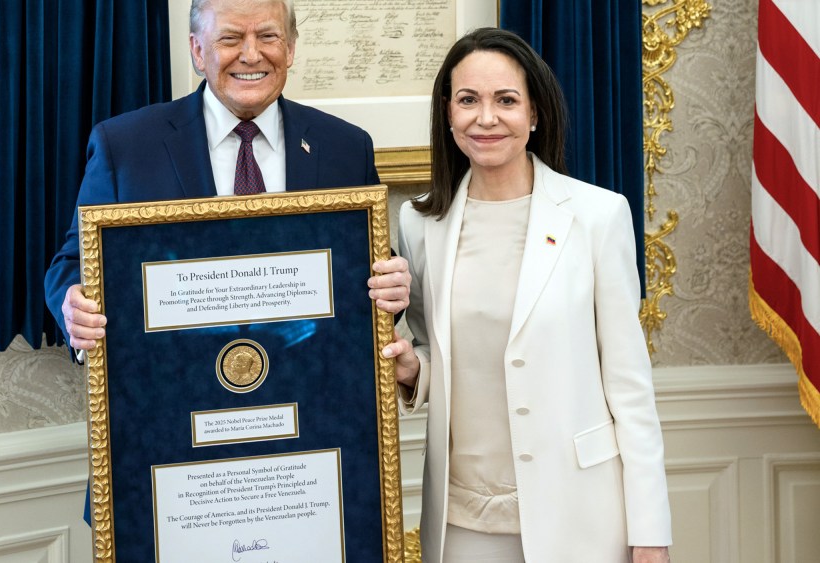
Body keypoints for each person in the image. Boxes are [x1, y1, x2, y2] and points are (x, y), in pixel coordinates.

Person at [380, 28, 672, 562]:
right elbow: (433, 351)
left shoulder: (598, 216)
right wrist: (411, 370)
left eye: (506, 101)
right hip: (461, 519)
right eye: (468, 100)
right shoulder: (419, 222)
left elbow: (630, 386)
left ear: (535, 113)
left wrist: (650, 532)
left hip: (580, 512)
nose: (485, 118)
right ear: (447, 113)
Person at [44, 0, 410, 351]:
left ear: (291, 48)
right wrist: (74, 305)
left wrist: (391, 288)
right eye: (231, 38)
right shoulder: (125, 147)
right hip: (175, 390)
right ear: (198, 51)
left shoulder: (345, 147)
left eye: (268, 37)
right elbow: (75, 262)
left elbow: (366, 267)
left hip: (308, 384)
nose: (251, 55)